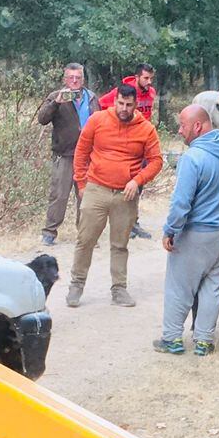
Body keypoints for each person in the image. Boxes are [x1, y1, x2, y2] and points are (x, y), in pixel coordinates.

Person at [155, 104, 219, 356]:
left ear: (198, 126)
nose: (179, 131)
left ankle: (172, 339)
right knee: (214, 286)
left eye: (182, 125)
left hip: (197, 233)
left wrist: (170, 230)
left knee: (180, 287)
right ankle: (204, 341)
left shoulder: (192, 158)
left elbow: (181, 203)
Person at [70, 82, 163, 308]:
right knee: (85, 240)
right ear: (114, 101)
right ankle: (76, 285)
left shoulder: (146, 129)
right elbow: (81, 151)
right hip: (96, 188)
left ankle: (119, 289)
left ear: (135, 105)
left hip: (125, 195)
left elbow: (156, 161)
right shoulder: (98, 120)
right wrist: (82, 183)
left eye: (128, 105)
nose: (123, 108)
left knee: (120, 244)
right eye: (120, 103)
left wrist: (137, 180)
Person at [35, 63, 96, 247]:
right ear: (65, 79)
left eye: (78, 77)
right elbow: (42, 119)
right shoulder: (56, 97)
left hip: (87, 156)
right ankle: (49, 233)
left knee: (86, 197)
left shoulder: (92, 98)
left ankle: (85, 234)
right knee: (59, 195)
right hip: (65, 155)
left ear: (83, 79)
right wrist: (56, 103)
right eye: (71, 77)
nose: (75, 81)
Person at [99, 66, 158, 238]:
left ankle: (133, 222)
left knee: (138, 185)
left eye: (151, 79)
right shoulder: (124, 92)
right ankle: (122, 223)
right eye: (146, 78)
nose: (149, 82)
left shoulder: (151, 92)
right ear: (137, 77)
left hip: (143, 142)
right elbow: (101, 104)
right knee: (123, 183)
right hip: (125, 143)